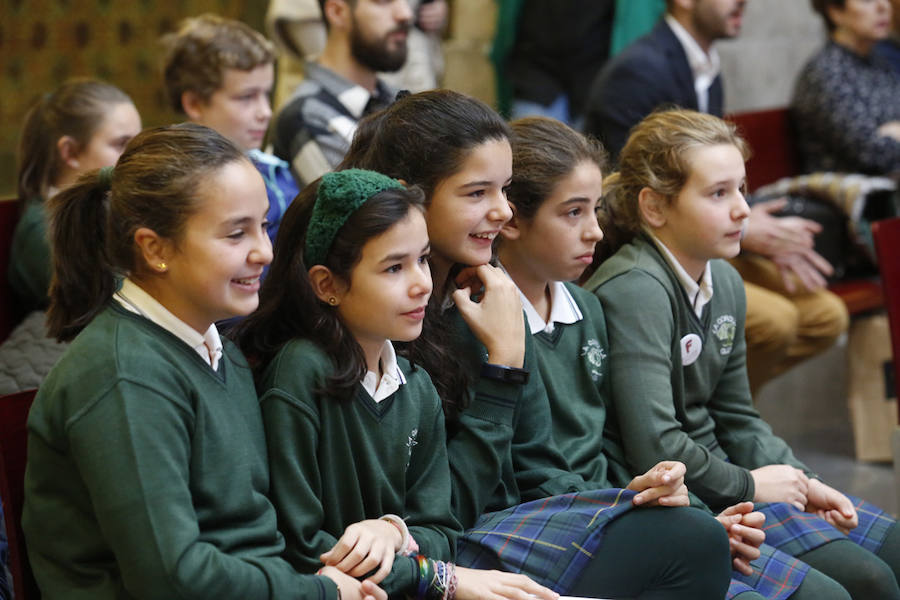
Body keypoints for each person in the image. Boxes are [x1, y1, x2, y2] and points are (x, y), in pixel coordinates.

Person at [340, 89, 733, 599]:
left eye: (504, 190)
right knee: (692, 544)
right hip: (445, 545)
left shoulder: (480, 292)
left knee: (697, 538)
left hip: (496, 526)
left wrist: (628, 501)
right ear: (407, 196)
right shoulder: (388, 318)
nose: (502, 211)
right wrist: (503, 365)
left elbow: (538, 462)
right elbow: (442, 510)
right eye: (477, 193)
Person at [498, 115, 876, 600]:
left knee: (878, 568)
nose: (593, 230)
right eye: (573, 213)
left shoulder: (587, 306)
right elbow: (629, 447)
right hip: (579, 526)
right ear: (654, 207)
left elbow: (733, 416)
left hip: (657, 502)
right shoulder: (627, 291)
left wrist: (802, 480)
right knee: (841, 591)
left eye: (743, 189)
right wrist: (713, 505)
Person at [21, 123, 386, 600]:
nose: (265, 251)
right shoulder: (123, 375)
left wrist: (401, 548)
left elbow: (260, 534)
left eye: (264, 225)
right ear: (155, 249)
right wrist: (319, 593)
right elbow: (171, 577)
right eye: (237, 234)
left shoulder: (220, 349)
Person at [237, 168, 557, 599]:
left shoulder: (414, 383)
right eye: (393, 268)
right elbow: (305, 551)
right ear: (327, 284)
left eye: (422, 259)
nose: (422, 283)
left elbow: (442, 529)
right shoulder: (302, 372)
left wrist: (392, 532)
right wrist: (430, 575)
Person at [584, 0, 848, 395]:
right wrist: (745, 229)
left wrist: (749, 219)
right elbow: (631, 196)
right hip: (651, 245)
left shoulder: (704, 62)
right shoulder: (639, 71)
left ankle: (721, 407)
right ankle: (704, 413)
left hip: (700, 240)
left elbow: (713, 175)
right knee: (774, 322)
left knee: (825, 315)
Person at [161, 14, 299, 243]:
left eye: (266, 94)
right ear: (194, 103)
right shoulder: (173, 186)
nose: (265, 112)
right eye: (246, 97)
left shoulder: (275, 171)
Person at [9, 78, 141, 313]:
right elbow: (109, 310)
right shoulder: (42, 230)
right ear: (70, 152)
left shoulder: (117, 207)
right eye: (121, 144)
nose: (136, 158)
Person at [272, 0, 411, 187]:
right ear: (337, 12)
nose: (405, 13)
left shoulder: (397, 98)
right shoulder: (304, 116)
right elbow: (358, 209)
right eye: (383, 1)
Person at [266, 0, 446, 108]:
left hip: (390, 95)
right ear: (337, 11)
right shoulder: (315, 113)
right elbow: (334, 62)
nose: (406, 14)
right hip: (339, 107)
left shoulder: (385, 94)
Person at [792, 0, 900, 175]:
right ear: (835, 12)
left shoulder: (879, 62)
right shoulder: (826, 72)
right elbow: (870, 153)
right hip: (857, 195)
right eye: (867, 0)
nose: (883, 6)